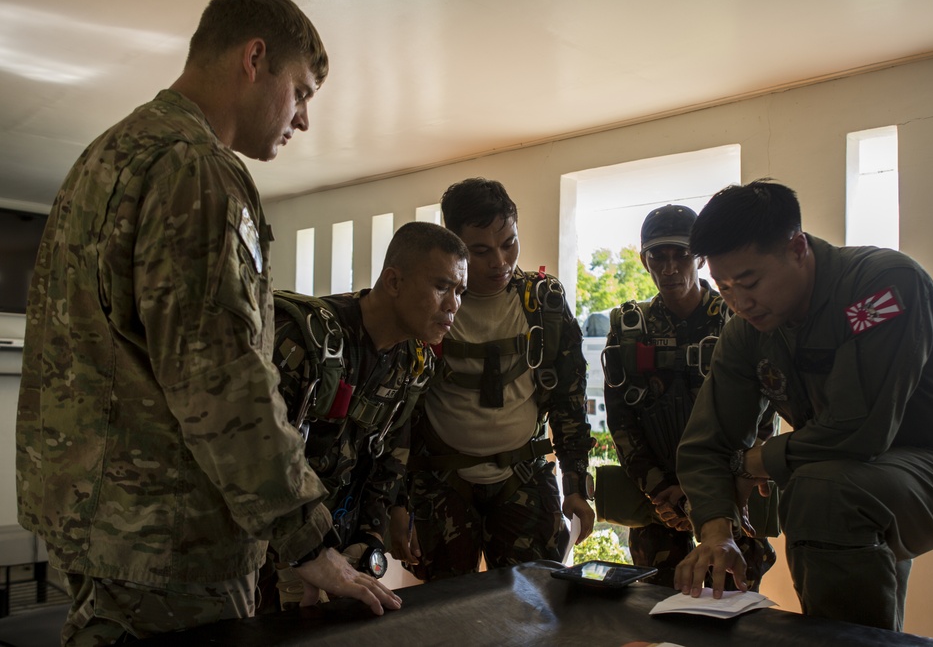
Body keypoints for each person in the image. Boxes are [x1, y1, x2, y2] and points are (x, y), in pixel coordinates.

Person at [15, 0, 398, 644]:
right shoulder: (197, 169)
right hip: (172, 542)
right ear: (255, 58)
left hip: (98, 526)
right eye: (301, 92)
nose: (303, 118)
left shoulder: (107, 156)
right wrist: (306, 541)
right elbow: (221, 380)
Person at [673, 180, 933, 630]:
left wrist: (756, 461)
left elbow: (859, 428)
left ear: (798, 248)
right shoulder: (747, 330)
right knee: (831, 498)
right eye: (724, 288)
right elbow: (705, 444)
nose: (740, 302)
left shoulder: (883, 286)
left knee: (822, 492)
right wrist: (716, 531)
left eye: (750, 282)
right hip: (843, 471)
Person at [389, 177, 595, 579]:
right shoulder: (426, 305)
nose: (499, 262)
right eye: (480, 251)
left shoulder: (543, 303)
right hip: (441, 484)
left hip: (524, 480)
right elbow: (398, 414)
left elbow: (569, 400)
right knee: (446, 614)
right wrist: (396, 502)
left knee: (534, 610)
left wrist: (576, 484)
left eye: (509, 244)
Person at [261, 221, 467, 610]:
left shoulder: (413, 363)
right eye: (442, 287)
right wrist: (303, 553)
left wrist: (369, 539)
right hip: (264, 548)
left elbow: (388, 460)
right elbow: (256, 459)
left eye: (459, 291)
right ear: (393, 281)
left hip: (333, 551)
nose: (454, 305)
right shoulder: (304, 341)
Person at [602, 204, 777, 588]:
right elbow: (621, 421)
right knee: (660, 614)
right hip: (658, 508)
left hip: (731, 497)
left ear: (699, 256)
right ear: (643, 260)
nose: (668, 268)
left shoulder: (738, 318)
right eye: (657, 257)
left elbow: (764, 417)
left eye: (680, 254)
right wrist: (662, 493)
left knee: (732, 611)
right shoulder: (632, 329)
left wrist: (719, 493)